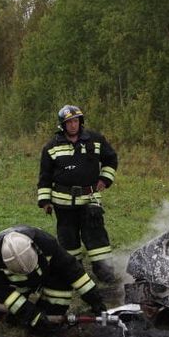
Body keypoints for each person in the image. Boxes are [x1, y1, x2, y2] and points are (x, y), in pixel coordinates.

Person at [37, 104, 119, 283]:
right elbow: (45, 176)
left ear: (80, 122)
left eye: (76, 121)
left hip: (90, 200)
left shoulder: (95, 140)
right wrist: (45, 201)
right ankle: (75, 273)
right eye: (69, 122)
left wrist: (105, 179)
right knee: (68, 241)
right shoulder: (51, 147)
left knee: (97, 238)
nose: (73, 125)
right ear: (62, 125)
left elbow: (111, 159)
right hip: (63, 204)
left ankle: (104, 271)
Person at [0, 225, 106, 332]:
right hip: (17, 286)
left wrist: (94, 299)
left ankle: (47, 310)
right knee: (8, 318)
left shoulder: (45, 242)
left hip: (46, 275)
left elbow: (72, 270)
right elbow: (3, 291)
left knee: (50, 324)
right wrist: (32, 315)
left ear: (34, 248)